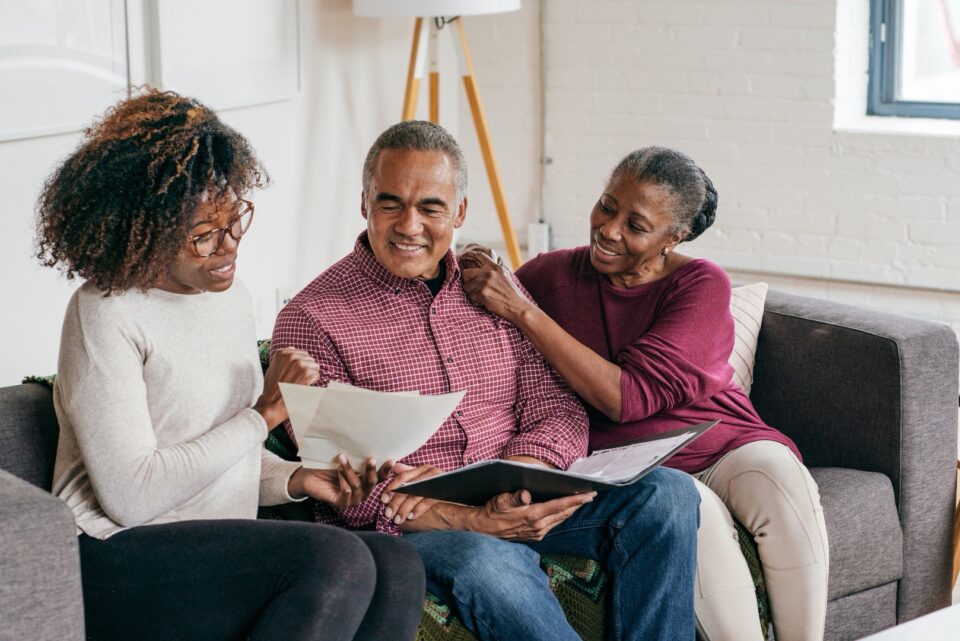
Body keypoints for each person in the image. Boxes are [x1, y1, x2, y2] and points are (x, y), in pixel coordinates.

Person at [272, 120, 700, 641]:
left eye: (430, 207)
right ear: (364, 204)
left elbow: (558, 409)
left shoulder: (494, 290)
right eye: (390, 203)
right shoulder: (311, 318)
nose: (409, 226)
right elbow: (341, 485)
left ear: (460, 212)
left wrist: (519, 477)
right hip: (419, 527)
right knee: (488, 560)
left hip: (515, 493)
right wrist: (470, 517)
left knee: (668, 495)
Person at [37, 90, 425, 641]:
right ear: (143, 229)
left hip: (209, 543)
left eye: (235, 218)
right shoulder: (104, 312)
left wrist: (299, 480)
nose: (228, 247)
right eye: (203, 235)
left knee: (395, 563)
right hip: (109, 558)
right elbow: (134, 494)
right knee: (335, 561)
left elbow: (218, 461)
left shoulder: (232, 298)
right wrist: (264, 416)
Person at [460, 146, 830, 641]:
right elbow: (477, 315)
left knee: (782, 482)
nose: (609, 230)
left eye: (635, 225)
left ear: (673, 237)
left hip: (722, 440)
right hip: (633, 465)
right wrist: (470, 266)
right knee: (694, 516)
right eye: (607, 206)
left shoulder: (699, 283)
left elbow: (628, 397)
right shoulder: (550, 275)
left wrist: (525, 312)